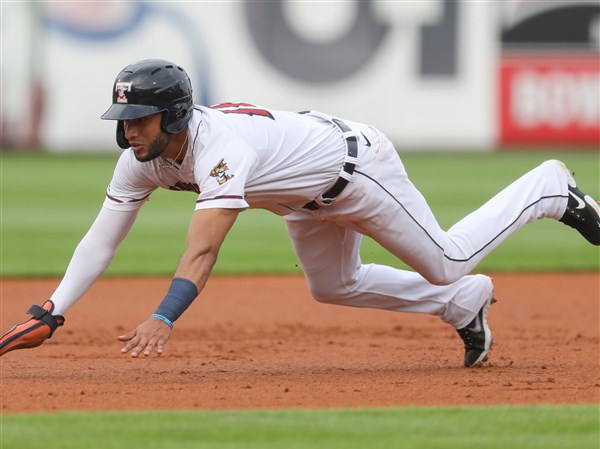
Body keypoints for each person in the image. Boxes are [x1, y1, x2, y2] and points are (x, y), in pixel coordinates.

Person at [1, 59, 598, 367]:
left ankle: (548, 188)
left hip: (356, 172)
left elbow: (204, 249)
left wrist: (164, 317)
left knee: (447, 259)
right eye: (124, 121)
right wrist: (52, 310)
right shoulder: (141, 158)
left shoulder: (220, 149)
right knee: (333, 286)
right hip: (300, 197)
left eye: (140, 119)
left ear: (176, 117)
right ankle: (460, 305)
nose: (129, 131)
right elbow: (101, 240)